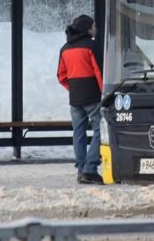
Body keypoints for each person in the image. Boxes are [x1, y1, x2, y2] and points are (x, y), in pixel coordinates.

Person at [57, 14, 104, 185]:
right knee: (101, 130)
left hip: (75, 98)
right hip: (93, 97)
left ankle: (81, 170)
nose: (96, 29)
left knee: (78, 132)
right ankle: (90, 169)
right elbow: (99, 72)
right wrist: (104, 93)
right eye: (94, 26)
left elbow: (61, 76)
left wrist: (74, 88)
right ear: (87, 29)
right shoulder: (92, 46)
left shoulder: (65, 49)